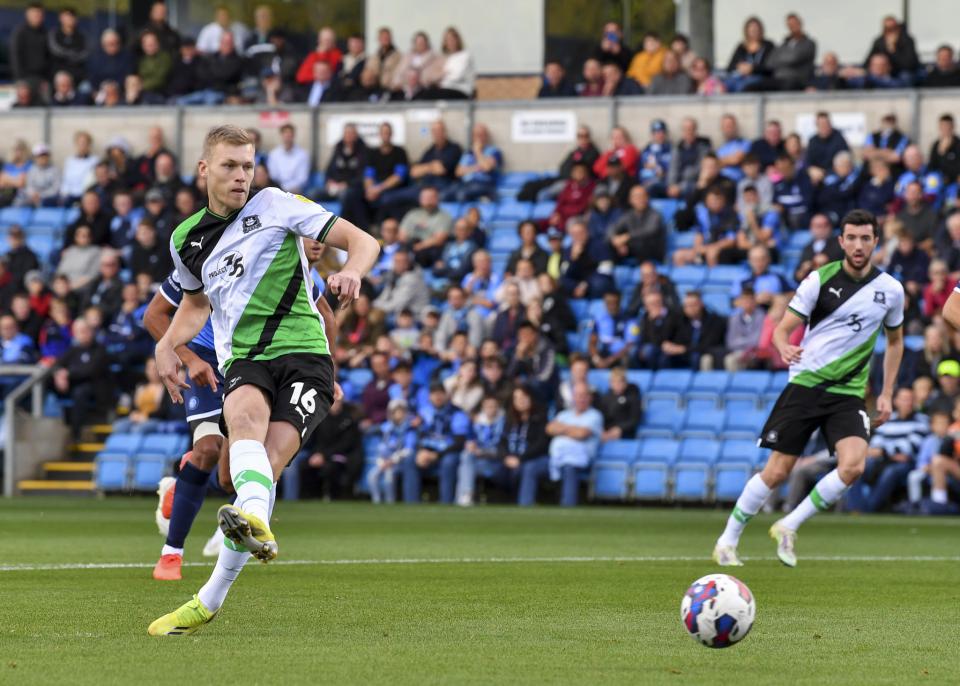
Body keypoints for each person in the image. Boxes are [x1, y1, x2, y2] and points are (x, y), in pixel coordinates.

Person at [148, 125, 378, 635]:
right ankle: (253, 525)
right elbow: (193, 305)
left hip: (304, 354)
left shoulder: (276, 205)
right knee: (243, 426)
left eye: (248, 166)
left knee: (265, 463)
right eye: (230, 166)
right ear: (205, 169)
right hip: (245, 359)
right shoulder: (186, 238)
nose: (241, 176)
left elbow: (363, 240)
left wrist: (354, 272)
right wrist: (167, 347)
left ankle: (210, 596)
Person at [713, 209, 905, 568]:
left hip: (848, 392)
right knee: (777, 471)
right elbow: (783, 329)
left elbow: (895, 343)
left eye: (866, 238)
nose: (859, 245)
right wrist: (784, 345)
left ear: (876, 241)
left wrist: (887, 392)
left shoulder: (891, 290)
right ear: (841, 241)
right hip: (805, 385)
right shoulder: (819, 280)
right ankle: (728, 539)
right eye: (852, 237)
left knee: (853, 466)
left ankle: (789, 524)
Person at [518, 381, 602, 507]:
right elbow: (549, 429)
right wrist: (573, 430)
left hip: (579, 459)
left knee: (569, 467)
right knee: (531, 467)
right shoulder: (564, 414)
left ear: (590, 397)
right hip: (556, 457)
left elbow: (582, 434)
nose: (581, 399)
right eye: (578, 395)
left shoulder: (595, 415)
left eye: (584, 395)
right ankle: (525, 505)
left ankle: (567, 507)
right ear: (573, 397)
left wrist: (562, 429)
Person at [851, 387, 928, 512]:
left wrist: (883, 451)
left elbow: (911, 446)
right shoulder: (888, 420)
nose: (908, 402)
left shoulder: (921, 420)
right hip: (884, 460)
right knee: (857, 468)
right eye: (904, 399)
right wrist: (887, 453)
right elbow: (876, 443)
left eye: (910, 399)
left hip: (908, 463)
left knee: (891, 472)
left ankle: (868, 509)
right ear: (896, 401)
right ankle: (856, 509)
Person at [401, 382, 470, 504]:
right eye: (434, 394)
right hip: (427, 451)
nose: (437, 397)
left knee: (449, 462)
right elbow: (418, 435)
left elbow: (459, 442)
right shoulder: (424, 412)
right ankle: (411, 504)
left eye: (440, 394)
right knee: (409, 459)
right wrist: (421, 450)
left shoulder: (457, 413)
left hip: (448, 451)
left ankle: (446, 502)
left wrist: (437, 455)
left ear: (446, 395)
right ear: (429, 396)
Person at [455, 393, 507, 505]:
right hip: (477, 461)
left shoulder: (505, 423)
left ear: (498, 407)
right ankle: (466, 495)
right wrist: (470, 445)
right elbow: (470, 440)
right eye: (488, 406)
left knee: (464, 466)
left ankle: (463, 496)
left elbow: (503, 449)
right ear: (483, 408)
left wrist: (482, 452)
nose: (491, 409)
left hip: (497, 462)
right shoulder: (476, 423)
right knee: (466, 456)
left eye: (493, 406)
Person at [368, 398, 416, 504]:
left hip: (398, 462)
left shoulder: (409, 429)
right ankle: (376, 501)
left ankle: (390, 502)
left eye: (401, 411)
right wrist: (381, 461)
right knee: (372, 476)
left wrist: (393, 460)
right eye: (396, 412)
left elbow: (409, 449)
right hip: (384, 461)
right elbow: (381, 447)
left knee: (388, 478)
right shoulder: (386, 429)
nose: (399, 414)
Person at [768, 12, 816, 91]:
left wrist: (781, 59)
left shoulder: (809, 44)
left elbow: (794, 58)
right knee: (753, 87)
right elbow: (770, 62)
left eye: (794, 23)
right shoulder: (783, 45)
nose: (793, 26)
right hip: (778, 79)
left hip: (797, 81)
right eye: (790, 25)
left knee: (787, 86)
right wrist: (788, 58)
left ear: (800, 23)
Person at [725, 16, 774, 92]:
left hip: (759, 77)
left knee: (743, 86)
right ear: (746, 31)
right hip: (740, 77)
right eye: (751, 29)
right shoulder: (741, 47)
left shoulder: (768, 46)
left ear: (761, 30)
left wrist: (753, 69)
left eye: (756, 29)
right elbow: (729, 68)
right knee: (725, 85)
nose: (754, 31)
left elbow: (770, 67)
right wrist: (739, 67)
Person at [864, 15, 919, 81]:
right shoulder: (879, 42)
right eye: (887, 29)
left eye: (892, 28)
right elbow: (868, 62)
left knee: (905, 76)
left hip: (902, 72)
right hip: (884, 73)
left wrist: (893, 50)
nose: (890, 32)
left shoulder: (907, 40)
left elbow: (909, 65)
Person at [10, 3, 50, 88]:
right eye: (34, 14)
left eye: (40, 14)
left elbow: (49, 57)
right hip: (25, 79)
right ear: (27, 15)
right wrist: (20, 79)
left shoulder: (46, 33)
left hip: (43, 80)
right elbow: (16, 56)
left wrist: (47, 78)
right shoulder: (20, 33)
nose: (37, 17)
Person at [598, 367, 642, 441]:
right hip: (607, 431)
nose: (617, 385)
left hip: (625, 432)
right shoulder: (606, 398)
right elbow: (602, 417)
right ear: (610, 383)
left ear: (625, 382)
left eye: (620, 381)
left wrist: (620, 429)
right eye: (614, 382)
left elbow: (634, 419)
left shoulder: (632, 396)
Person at [266, 123, 310, 195]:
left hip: (295, 190)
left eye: (290, 135)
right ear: (281, 136)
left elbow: (302, 179)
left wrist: (286, 188)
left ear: (294, 136)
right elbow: (273, 175)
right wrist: (280, 188)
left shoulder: (302, 155)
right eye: (285, 135)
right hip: (277, 189)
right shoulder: (274, 154)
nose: (287, 138)